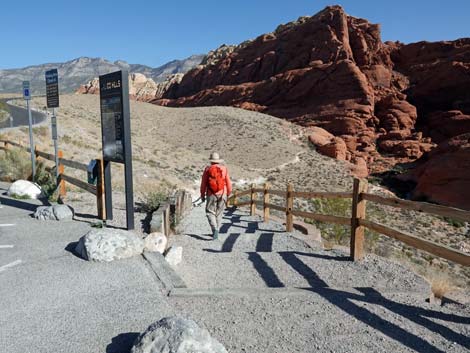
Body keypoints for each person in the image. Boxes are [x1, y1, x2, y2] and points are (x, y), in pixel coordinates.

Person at [200, 152, 232, 240]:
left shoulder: (207, 169)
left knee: (210, 212)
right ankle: (217, 229)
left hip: (211, 194)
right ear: (218, 160)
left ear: (211, 161)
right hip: (223, 194)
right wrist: (228, 193)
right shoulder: (224, 169)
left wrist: (202, 195)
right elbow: (228, 182)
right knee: (219, 213)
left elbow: (203, 184)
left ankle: (214, 229)